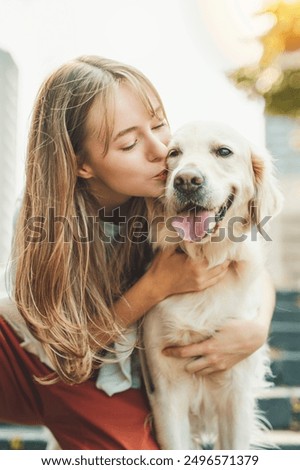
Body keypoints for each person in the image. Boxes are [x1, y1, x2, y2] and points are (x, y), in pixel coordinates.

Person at [0, 55, 275, 450]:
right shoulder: (43, 219)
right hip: (47, 364)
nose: (161, 151)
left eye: (160, 125)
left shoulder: (170, 191)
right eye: (129, 142)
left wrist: (257, 329)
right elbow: (65, 354)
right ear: (83, 165)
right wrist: (155, 285)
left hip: (132, 370)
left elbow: (246, 260)